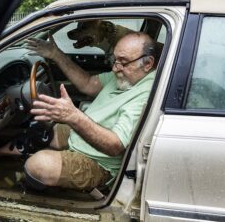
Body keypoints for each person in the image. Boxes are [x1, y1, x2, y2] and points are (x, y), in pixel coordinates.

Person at [22, 31, 158, 191]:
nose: (115, 68)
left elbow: (114, 146)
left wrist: (73, 116)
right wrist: (55, 54)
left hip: (99, 163)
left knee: (37, 165)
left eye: (123, 62)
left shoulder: (147, 93)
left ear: (148, 63)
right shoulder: (127, 76)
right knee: (37, 131)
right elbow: (88, 83)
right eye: (115, 60)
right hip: (82, 137)